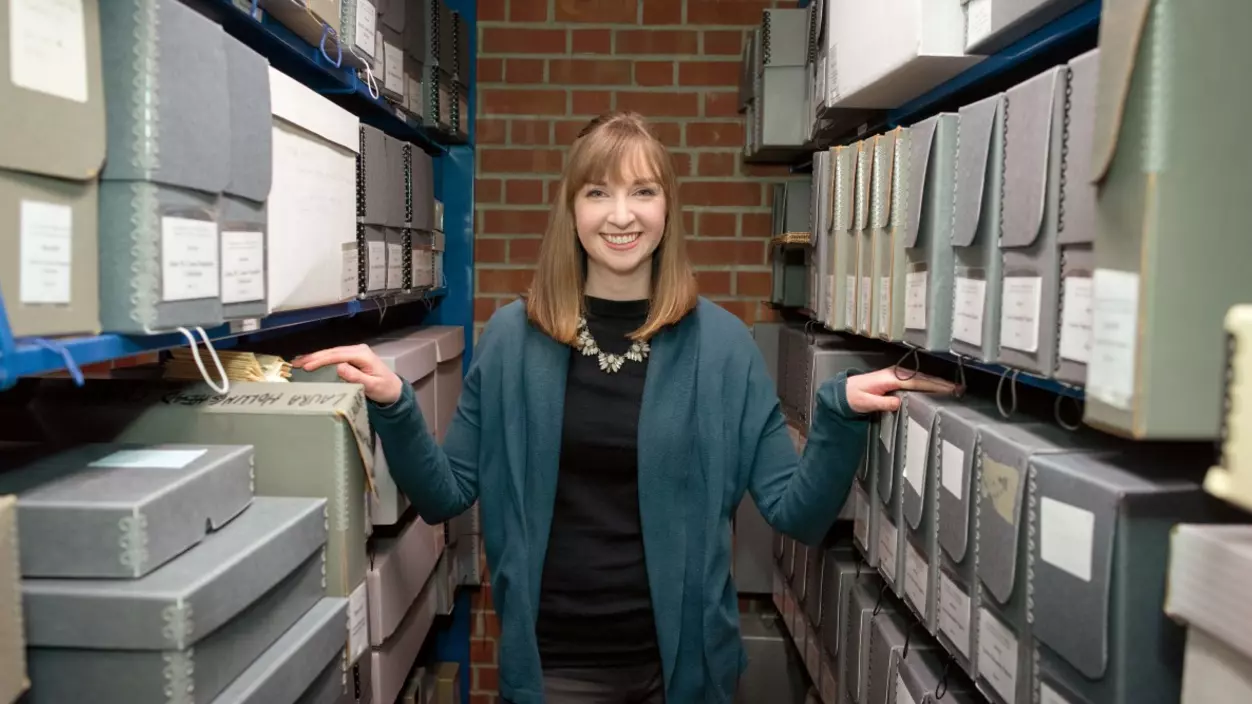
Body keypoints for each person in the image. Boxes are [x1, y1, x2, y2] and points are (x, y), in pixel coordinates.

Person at [295, 111, 955, 704]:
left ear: (667, 208)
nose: (621, 215)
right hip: (555, 672)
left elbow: (797, 512)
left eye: (643, 191)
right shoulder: (512, 339)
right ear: (571, 210)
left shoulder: (722, 347)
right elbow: (445, 494)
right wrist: (394, 403)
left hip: (682, 676)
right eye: (598, 192)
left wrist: (839, 411)